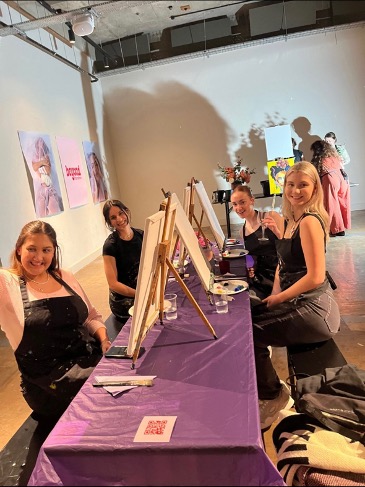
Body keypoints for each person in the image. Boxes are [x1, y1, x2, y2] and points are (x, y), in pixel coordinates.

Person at [251, 162, 341, 430]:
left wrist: (278, 299)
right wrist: (276, 290)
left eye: (303, 184)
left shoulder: (311, 221)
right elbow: (283, 262)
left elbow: (315, 276)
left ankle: (273, 395)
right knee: (249, 315)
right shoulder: (293, 220)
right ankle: (265, 385)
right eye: (291, 184)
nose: (295, 190)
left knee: (250, 332)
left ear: (315, 188)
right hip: (299, 301)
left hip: (316, 310)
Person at [0, 221, 111, 421]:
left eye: (46, 250)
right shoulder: (6, 283)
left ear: (54, 252)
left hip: (86, 360)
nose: (39, 257)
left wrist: (104, 340)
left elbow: (91, 316)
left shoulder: (64, 276)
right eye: (31, 249)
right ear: (18, 250)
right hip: (48, 385)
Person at [230, 185, 283, 300]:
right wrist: (250, 266)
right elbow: (250, 255)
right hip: (261, 277)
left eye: (242, 202)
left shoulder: (271, 216)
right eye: (235, 204)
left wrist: (277, 232)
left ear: (252, 201)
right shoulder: (242, 231)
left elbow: (289, 246)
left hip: (280, 273)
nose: (238, 207)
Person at [102, 200, 144, 324]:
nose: (119, 219)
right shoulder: (110, 246)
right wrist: (140, 295)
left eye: (121, 213)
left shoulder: (141, 235)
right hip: (123, 299)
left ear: (127, 211)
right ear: (109, 222)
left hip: (141, 289)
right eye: (113, 217)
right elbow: (113, 284)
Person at [310, 140, 351, 237]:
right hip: (343, 178)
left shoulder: (320, 158)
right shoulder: (334, 156)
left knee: (332, 204)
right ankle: (343, 227)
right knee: (343, 203)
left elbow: (315, 172)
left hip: (331, 178)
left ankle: (337, 229)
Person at [31, 137, 63, 217]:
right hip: (41, 189)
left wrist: (39, 164)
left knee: (54, 211)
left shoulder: (47, 156)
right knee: (42, 214)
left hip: (49, 188)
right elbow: (34, 167)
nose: (40, 149)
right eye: (38, 147)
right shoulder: (34, 158)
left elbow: (47, 170)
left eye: (41, 147)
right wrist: (41, 163)